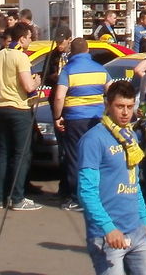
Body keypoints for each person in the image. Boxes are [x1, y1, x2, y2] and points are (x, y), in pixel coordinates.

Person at [78, 80, 146, 275]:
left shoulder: (130, 137)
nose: (125, 112)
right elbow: (86, 192)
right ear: (107, 105)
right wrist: (108, 228)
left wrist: (144, 220)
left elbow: (134, 183)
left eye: (130, 107)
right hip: (107, 235)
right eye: (120, 106)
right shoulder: (93, 140)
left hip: (136, 230)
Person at [0, 21, 42, 211]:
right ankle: (17, 197)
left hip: (1, 107)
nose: (31, 40)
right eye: (29, 37)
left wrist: (4, 85)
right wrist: (36, 81)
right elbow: (27, 86)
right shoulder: (21, 57)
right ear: (22, 38)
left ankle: (0, 198)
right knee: (21, 154)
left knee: (2, 153)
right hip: (19, 108)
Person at [54, 37, 110, 211]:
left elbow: (59, 96)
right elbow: (111, 92)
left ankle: (76, 198)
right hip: (97, 119)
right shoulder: (101, 70)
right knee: (96, 157)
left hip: (75, 119)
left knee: (75, 157)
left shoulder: (68, 70)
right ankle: (97, 195)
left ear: (73, 52)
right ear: (87, 51)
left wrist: (57, 116)